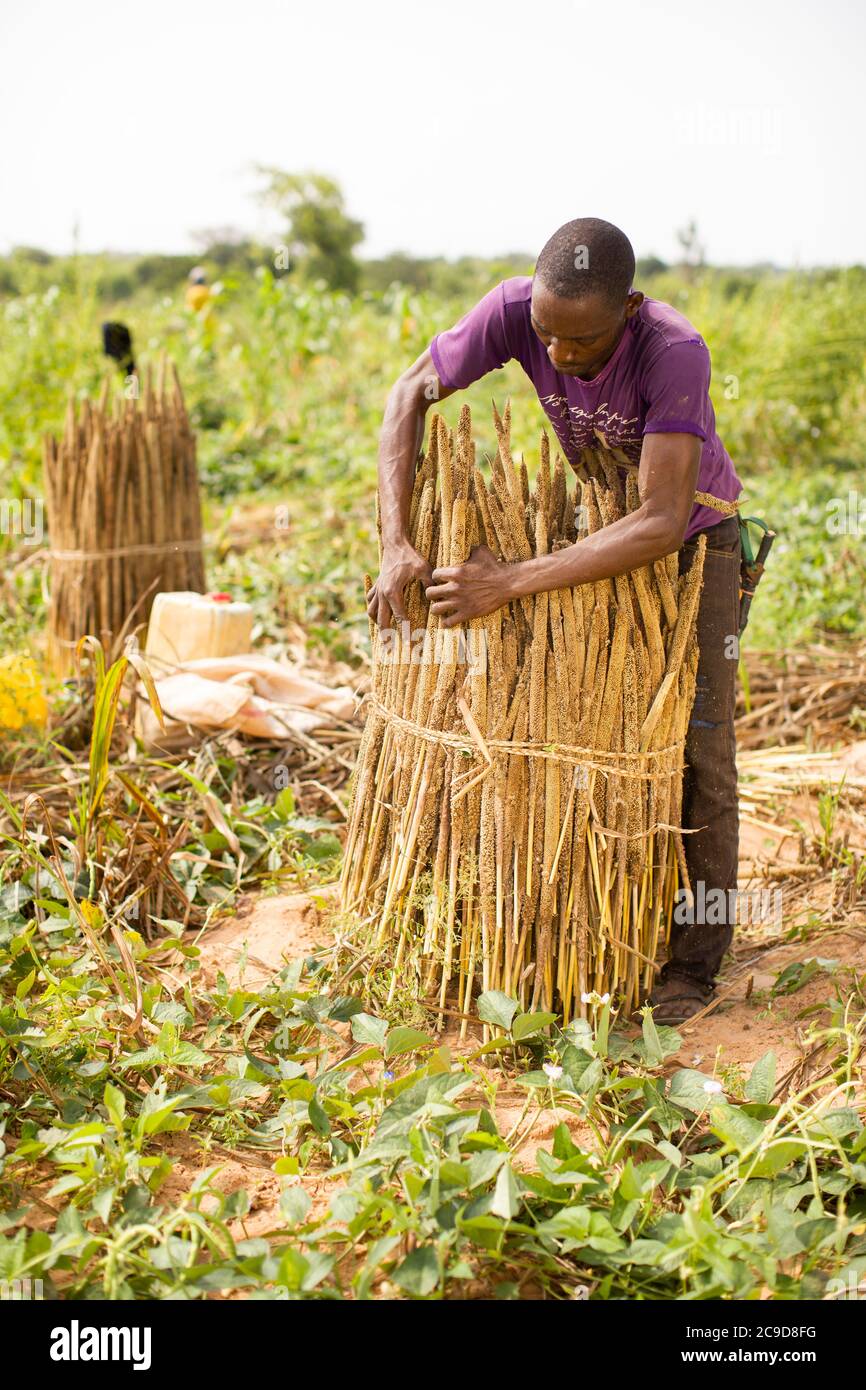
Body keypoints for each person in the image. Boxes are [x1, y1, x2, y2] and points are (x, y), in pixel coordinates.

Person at [367, 218, 743, 1024]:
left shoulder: (674, 349)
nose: (563, 358)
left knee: (695, 745)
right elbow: (407, 395)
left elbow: (660, 520)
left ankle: (694, 961)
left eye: (586, 344)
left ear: (630, 310)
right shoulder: (514, 311)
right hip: (595, 522)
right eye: (549, 339)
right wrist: (397, 542)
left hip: (694, 539)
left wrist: (509, 582)